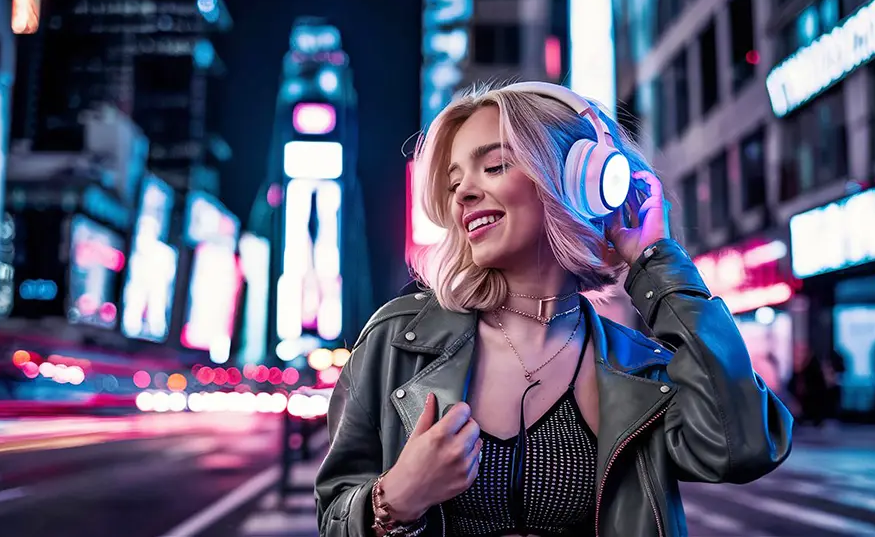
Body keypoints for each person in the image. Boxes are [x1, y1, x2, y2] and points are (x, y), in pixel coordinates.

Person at [315, 83, 793, 537]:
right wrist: (397, 496)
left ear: (580, 180)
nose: (463, 193)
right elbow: (333, 516)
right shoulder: (397, 339)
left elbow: (742, 446)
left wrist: (658, 263)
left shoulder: (639, 366)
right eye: (454, 180)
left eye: (495, 166)